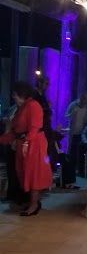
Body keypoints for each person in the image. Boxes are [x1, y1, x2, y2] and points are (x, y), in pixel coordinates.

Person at [0, 81, 52, 216]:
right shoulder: (21, 107)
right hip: (23, 144)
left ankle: (34, 204)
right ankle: (32, 202)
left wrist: (26, 143)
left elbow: (34, 128)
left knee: (33, 174)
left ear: (22, 94)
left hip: (34, 144)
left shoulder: (33, 105)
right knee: (24, 173)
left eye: (15, 95)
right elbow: (15, 131)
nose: (13, 97)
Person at [65, 92, 87, 176]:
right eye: (85, 98)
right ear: (82, 97)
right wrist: (72, 114)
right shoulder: (74, 105)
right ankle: (70, 170)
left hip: (82, 133)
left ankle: (79, 170)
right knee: (71, 151)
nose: (86, 101)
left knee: (80, 151)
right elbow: (66, 116)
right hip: (73, 132)